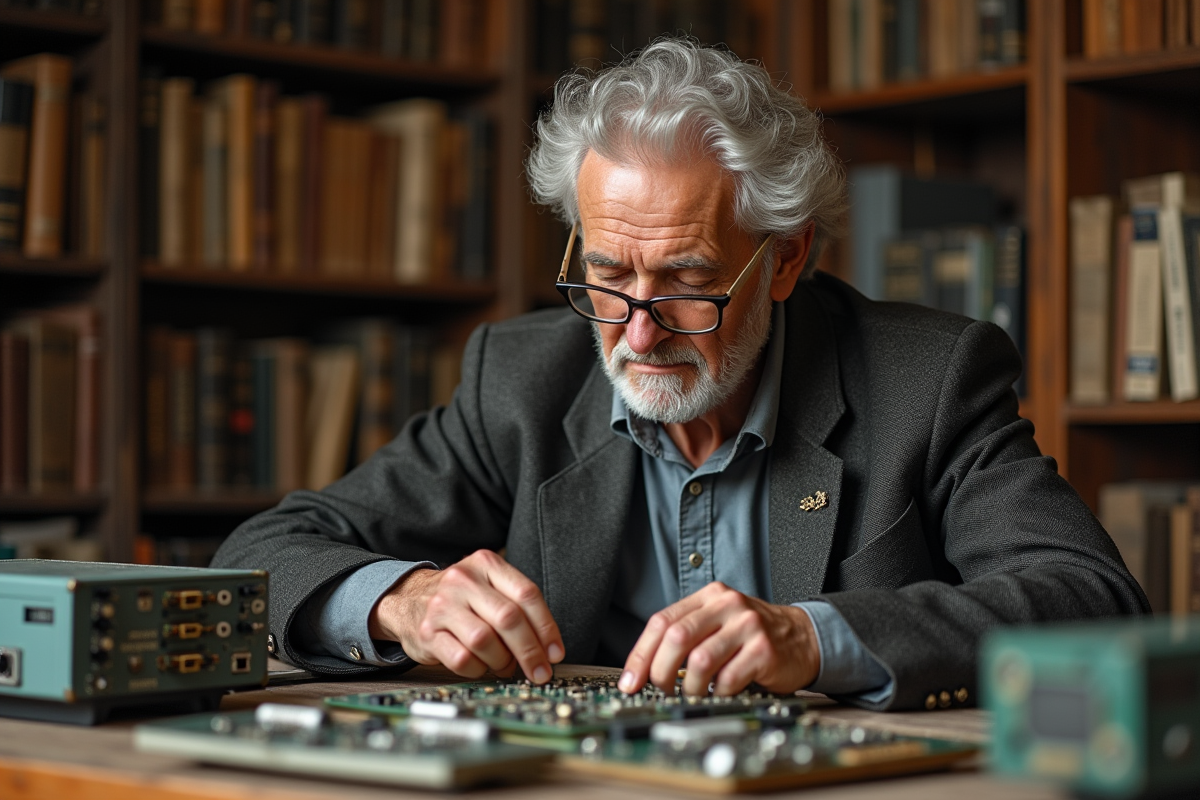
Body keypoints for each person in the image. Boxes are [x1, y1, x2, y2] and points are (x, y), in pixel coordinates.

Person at [212, 38, 1147, 711]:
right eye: (607, 276)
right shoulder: (521, 382)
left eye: (689, 283)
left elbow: (1091, 600)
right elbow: (262, 555)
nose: (637, 332)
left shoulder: (928, 379)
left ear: (785, 259)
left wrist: (813, 638)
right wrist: (401, 601)